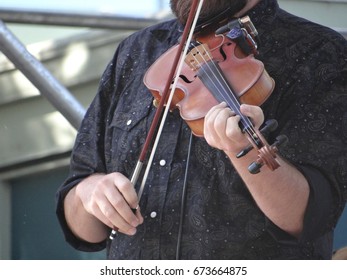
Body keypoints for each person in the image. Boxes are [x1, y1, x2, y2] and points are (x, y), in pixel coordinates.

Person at [56, 0, 347, 259]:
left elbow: (311, 218)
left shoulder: (319, 52)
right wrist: (89, 192)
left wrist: (242, 152)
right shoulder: (137, 51)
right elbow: (81, 226)